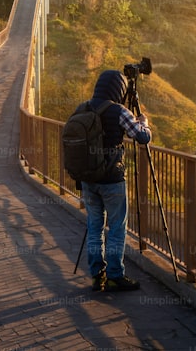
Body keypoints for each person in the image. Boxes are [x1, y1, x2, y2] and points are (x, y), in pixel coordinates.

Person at [78, 69, 151, 292]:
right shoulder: (119, 111)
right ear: (119, 89)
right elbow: (142, 137)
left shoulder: (83, 108)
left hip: (88, 179)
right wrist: (144, 122)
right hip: (112, 180)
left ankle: (96, 275)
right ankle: (115, 276)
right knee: (117, 227)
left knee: (94, 227)